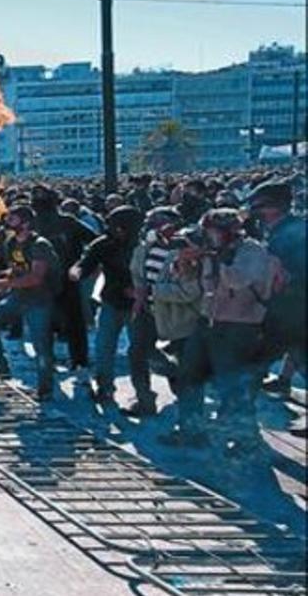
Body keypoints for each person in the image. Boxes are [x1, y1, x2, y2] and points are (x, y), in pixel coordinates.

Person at [160, 209, 279, 457]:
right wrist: (185, 260)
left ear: (228, 232)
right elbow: (196, 282)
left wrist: (214, 257)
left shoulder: (251, 250)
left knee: (233, 385)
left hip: (240, 325)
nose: (208, 237)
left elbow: (237, 280)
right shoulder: (211, 252)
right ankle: (191, 429)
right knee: (188, 375)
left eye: (212, 232)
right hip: (208, 320)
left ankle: (245, 440)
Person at [0, 205, 61, 400]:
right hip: (18, 296)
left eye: (13, 219)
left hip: (39, 299)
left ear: (25, 223)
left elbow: (36, 277)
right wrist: (0, 278)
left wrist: (5, 283)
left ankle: (45, 389)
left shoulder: (40, 245)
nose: (8, 222)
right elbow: (17, 269)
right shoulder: (11, 243)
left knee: (41, 345)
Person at [71, 206, 148, 409]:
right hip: (111, 301)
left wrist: (141, 291)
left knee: (139, 352)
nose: (115, 230)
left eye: (119, 227)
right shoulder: (104, 244)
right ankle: (105, 388)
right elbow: (85, 263)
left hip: (138, 305)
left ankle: (145, 395)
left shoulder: (145, 245)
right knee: (104, 347)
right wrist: (77, 271)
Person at [248, 181, 306, 437]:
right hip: (286, 309)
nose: (255, 210)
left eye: (260, 206)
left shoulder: (291, 233)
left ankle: (240, 425)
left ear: (275, 207)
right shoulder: (283, 230)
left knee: (257, 362)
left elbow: (285, 273)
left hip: (292, 308)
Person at [131, 208, 201, 401]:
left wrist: (156, 292)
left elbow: (190, 291)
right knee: (138, 352)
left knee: (184, 363)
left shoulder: (185, 251)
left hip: (176, 315)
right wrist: (140, 293)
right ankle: (144, 399)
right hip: (148, 309)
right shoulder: (146, 247)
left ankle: (189, 410)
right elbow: (138, 273)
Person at [32, 185, 96, 373]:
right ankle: (79, 361)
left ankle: (49, 361)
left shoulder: (37, 224)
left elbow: (94, 242)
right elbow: (94, 241)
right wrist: (84, 265)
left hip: (48, 280)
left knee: (46, 323)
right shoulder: (68, 222)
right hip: (62, 278)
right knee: (73, 323)